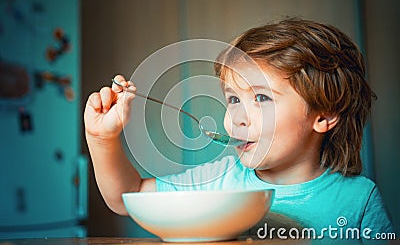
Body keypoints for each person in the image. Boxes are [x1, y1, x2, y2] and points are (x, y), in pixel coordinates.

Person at [84, 18, 394, 241]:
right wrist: (102, 140)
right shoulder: (217, 179)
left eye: (260, 97)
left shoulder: (359, 200)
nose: (237, 118)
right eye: (233, 98)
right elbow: (129, 196)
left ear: (324, 116)